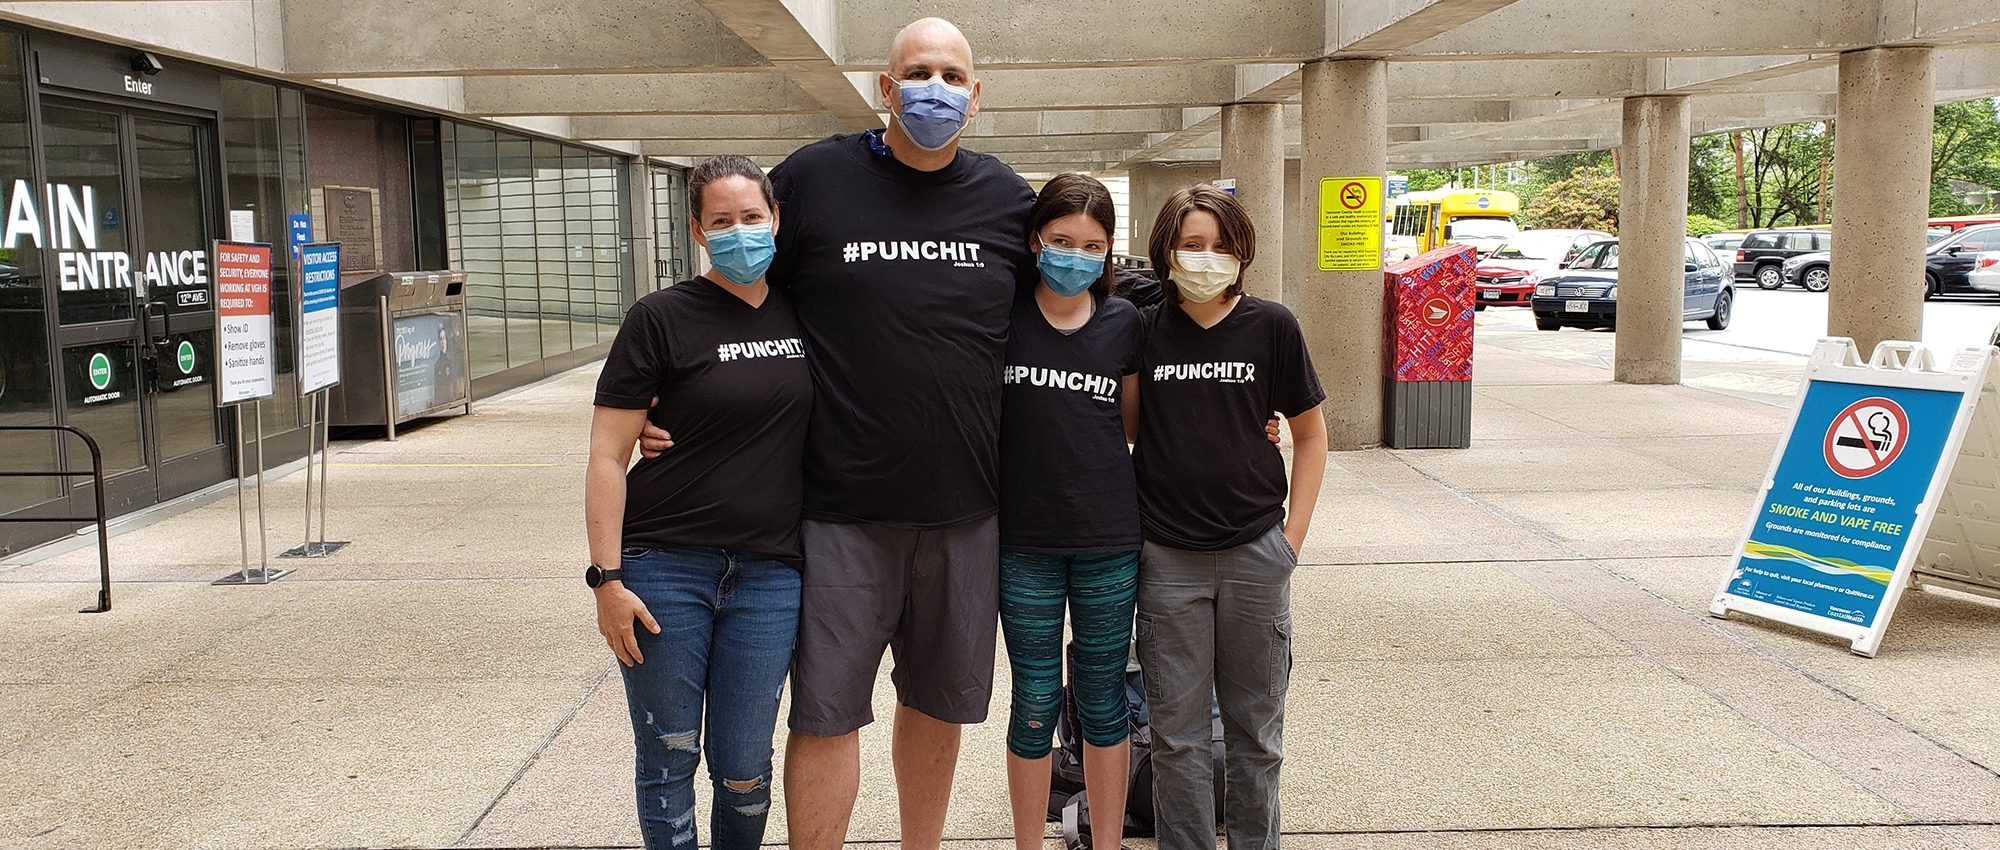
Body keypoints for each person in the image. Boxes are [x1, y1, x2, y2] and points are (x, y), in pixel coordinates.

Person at [639, 17, 1033, 850]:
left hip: (966, 506)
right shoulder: (814, 179)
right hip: (837, 510)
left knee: (937, 706)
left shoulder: (1005, 199)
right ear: (885, 88)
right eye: (917, 72)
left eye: (953, 75)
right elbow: (733, 283)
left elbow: (1079, 304)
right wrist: (660, 392)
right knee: (825, 713)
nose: (936, 88)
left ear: (976, 94)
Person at [584, 155, 811, 850]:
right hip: (663, 569)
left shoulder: (810, 311)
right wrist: (607, 580)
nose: (739, 232)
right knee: (669, 757)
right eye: (722, 221)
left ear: (775, 220)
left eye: (752, 217)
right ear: (696, 230)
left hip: (769, 575)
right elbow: (606, 455)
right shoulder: (660, 318)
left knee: (745, 768)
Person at [1131, 185, 1328, 850]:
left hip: (1255, 554)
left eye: (1221, 246)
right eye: (1193, 245)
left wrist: (1291, 540)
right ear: (1167, 249)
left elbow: (1311, 434)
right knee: (1176, 738)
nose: (1207, 257)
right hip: (1167, 558)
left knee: (1256, 735)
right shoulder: (1144, 328)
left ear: (1242, 253)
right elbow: (1127, 427)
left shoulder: (1272, 326)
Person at [995, 173, 1141, 850]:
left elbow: (1136, 426)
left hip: (1108, 539)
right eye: (1060, 241)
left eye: (1090, 245)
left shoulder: (1124, 324)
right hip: (1023, 541)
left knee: (1104, 703)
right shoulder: (1002, 316)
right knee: (1033, 705)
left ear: (1108, 251)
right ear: (1034, 241)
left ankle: (1107, 843)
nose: (1073, 255)